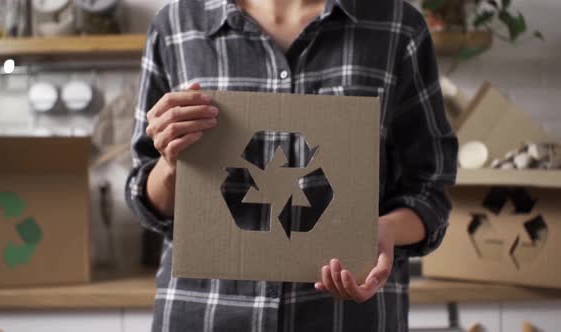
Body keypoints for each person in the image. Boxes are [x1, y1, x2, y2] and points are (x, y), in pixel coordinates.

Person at [125, 0, 458, 331]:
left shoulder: (398, 26)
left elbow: (429, 189)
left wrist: (384, 232)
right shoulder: (176, 25)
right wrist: (170, 164)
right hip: (205, 314)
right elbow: (145, 197)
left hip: (345, 319)